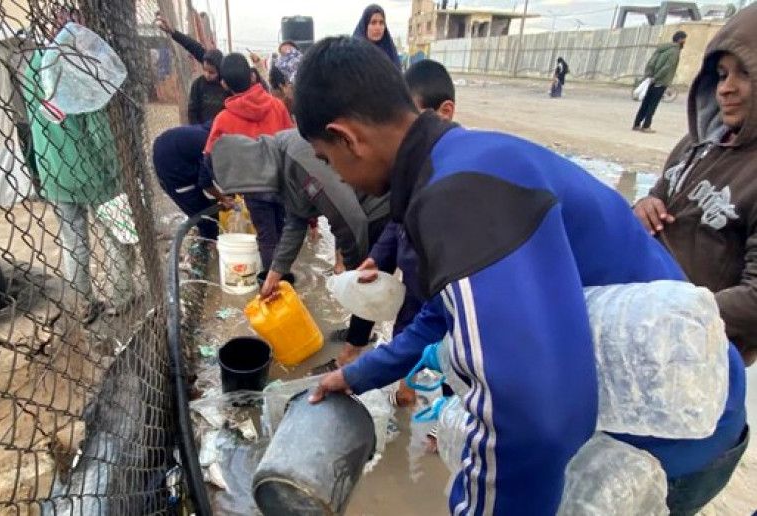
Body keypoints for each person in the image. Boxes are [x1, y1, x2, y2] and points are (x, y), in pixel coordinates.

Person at [296, 36, 747, 515]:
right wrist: (363, 373)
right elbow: (445, 312)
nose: (338, 177)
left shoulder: (459, 199)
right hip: (689, 400)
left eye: (328, 160)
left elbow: (529, 420)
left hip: (673, 432)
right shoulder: (466, 160)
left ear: (347, 137)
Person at [633, 5, 757, 367]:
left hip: (697, 359)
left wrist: (669, 314)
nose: (726, 89)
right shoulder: (697, 143)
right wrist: (643, 206)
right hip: (644, 335)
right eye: (720, 74)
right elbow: (661, 197)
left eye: (744, 74)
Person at [343, 59, 456, 382]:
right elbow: (396, 223)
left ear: (444, 111)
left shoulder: (452, 178)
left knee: (453, 353)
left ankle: (444, 412)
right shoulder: (414, 171)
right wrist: (377, 259)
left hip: (441, 287)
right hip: (413, 279)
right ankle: (406, 382)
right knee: (407, 328)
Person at [23, 8, 135, 324]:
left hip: (54, 170)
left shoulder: (33, 66)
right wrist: (118, 169)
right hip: (95, 172)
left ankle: (84, 303)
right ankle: (121, 297)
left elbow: (33, 122)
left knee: (74, 242)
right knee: (119, 235)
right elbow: (99, 130)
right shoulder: (80, 66)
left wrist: (37, 168)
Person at [210, 128, 389, 298]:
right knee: (363, 291)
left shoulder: (298, 157)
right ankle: (358, 329)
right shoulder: (278, 161)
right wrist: (275, 273)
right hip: (360, 213)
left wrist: (352, 272)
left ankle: (362, 329)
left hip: (378, 207)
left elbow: (349, 220)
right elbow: (296, 220)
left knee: (367, 289)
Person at [201, 53, 294, 272]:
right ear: (252, 77)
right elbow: (292, 143)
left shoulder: (224, 119)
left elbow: (209, 157)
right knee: (282, 231)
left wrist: (227, 185)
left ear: (224, 83)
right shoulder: (277, 106)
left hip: (253, 186)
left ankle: (274, 287)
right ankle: (284, 278)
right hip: (280, 182)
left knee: (266, 237)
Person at [156, 14, 228, 125]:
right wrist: (173, 32)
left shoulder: (228, 83)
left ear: (221, 70)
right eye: (205, 70)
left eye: (212, 72)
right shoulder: (199, 84)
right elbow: (193, 47)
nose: (207, 74)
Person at [633, 31, 687, 133]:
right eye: (684, 39)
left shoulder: (662, 48)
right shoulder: (675, 51)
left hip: (651, 79)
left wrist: (649, 75)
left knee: (645, 103)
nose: (685, 41)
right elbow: (667, 67)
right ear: (680, 39)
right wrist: (657, 77)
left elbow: (651, 62)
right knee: (653, 104)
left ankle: (636, 124)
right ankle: (646, 126)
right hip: (660, 81)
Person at [353, 4, 401, 69]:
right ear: (365, 25)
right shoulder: (354, 53)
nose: (378, 28)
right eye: (373, 22)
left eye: (381, 23)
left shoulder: (390, 53)